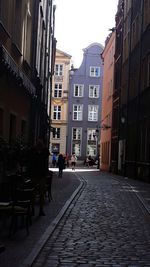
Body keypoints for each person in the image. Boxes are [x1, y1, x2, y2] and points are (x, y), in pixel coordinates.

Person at [29, 139, 49, 216]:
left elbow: (46, 156)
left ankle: (40, 210)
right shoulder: (33, 151)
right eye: (38, 144)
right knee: (34, 193)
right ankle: (34, 210)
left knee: (41, 193)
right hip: (35, 174)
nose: (39, 145)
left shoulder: (44, 151)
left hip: (40, 175)